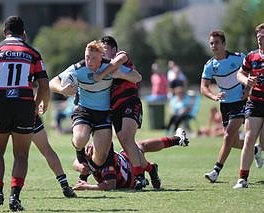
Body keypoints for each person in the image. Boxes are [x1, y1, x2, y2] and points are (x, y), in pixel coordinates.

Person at [0, 16, 50, 211]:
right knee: (21, 155)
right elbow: (44, 84)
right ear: (23, 33)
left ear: (4, 33)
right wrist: (36, 104)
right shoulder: (33, 53)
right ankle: (14, 197)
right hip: (24, 104)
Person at [49, 40, 141, 188]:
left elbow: (137, 77)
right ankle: (80, 157)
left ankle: (86, 171)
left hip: (103, 113)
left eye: (93, 58)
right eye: (87, 57)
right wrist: (62, 89)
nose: (89, 61)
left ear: (101, 57)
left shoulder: (109, 66)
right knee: (80, 139)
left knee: (100, 156)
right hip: (84, 110)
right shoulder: (78, 68)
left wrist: (121, 74)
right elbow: (52, 82)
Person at [200, 30, 263, 184]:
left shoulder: (238, 57)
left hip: (242, 102)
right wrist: (214, 96)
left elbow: (249, 71)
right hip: (225, 105)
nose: (214, 46)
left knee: (228, 136)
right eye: (211, 43)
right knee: (233, 141)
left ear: (224, 44)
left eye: (216, 43)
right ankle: (255, 150)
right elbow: (203, 87)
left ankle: (216, 170)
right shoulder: (210, 65)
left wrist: (247, 89)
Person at [92, 35, 148, 190]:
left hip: (130, 102)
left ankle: (138, 176)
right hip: (114, 110)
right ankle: (150, 168)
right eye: (100, 51)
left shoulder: (119, 57)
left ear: (113, 50)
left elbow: (137, 77)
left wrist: (115, 74)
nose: (102, 54)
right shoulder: (98, 67)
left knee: (126, 137)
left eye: (105, 50)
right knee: (125, 142)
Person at [72, 128, 189, 191]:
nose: (92, 145)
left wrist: (86, 186)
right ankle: (152, 167)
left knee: (137, 148)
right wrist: (81, 168)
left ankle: (151, 167)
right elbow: (76, 163)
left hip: (128, 170)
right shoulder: (96, 154)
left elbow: (110, 185)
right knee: (138, 147)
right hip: (127, 171)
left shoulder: (108, 165)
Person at [233, 23, 264, 189]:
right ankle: (242, 179)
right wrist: (247, 81)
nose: (260, 40)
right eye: (258, 37)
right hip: (255, 101)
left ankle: (259, 149)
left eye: (263, 37)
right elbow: (240, 73)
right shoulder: (251, 57)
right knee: (249, 137)